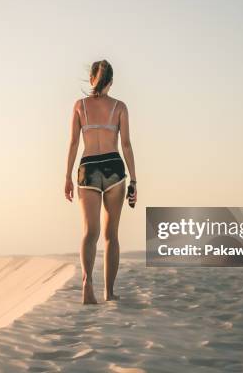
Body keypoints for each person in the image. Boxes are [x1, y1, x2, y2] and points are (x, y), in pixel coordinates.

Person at [64, 59, 137, 304]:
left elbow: (74, 143)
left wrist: (67, 176)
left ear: (91, 79)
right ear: (111, 81)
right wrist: (134, 180)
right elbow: (125, 144)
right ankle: (109, 291)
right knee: (111, 235)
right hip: (114, 167)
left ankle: (87, 281)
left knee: (90, 232)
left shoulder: (79, 106)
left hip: (88, 167)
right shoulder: (120, 107)